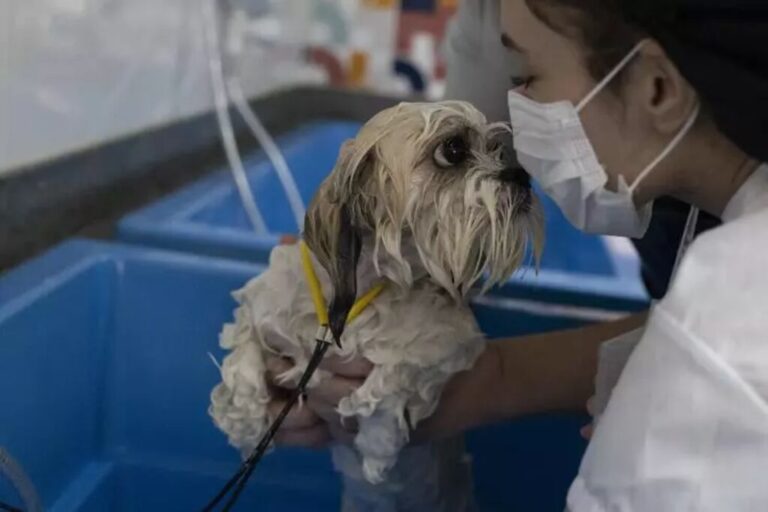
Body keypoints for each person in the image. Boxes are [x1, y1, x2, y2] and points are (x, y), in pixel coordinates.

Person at [267, 0, 768, 509]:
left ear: (655, 87)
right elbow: (435, 228)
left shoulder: (723, 321)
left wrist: (658, 394)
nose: (518, 128)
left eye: (527, 77)